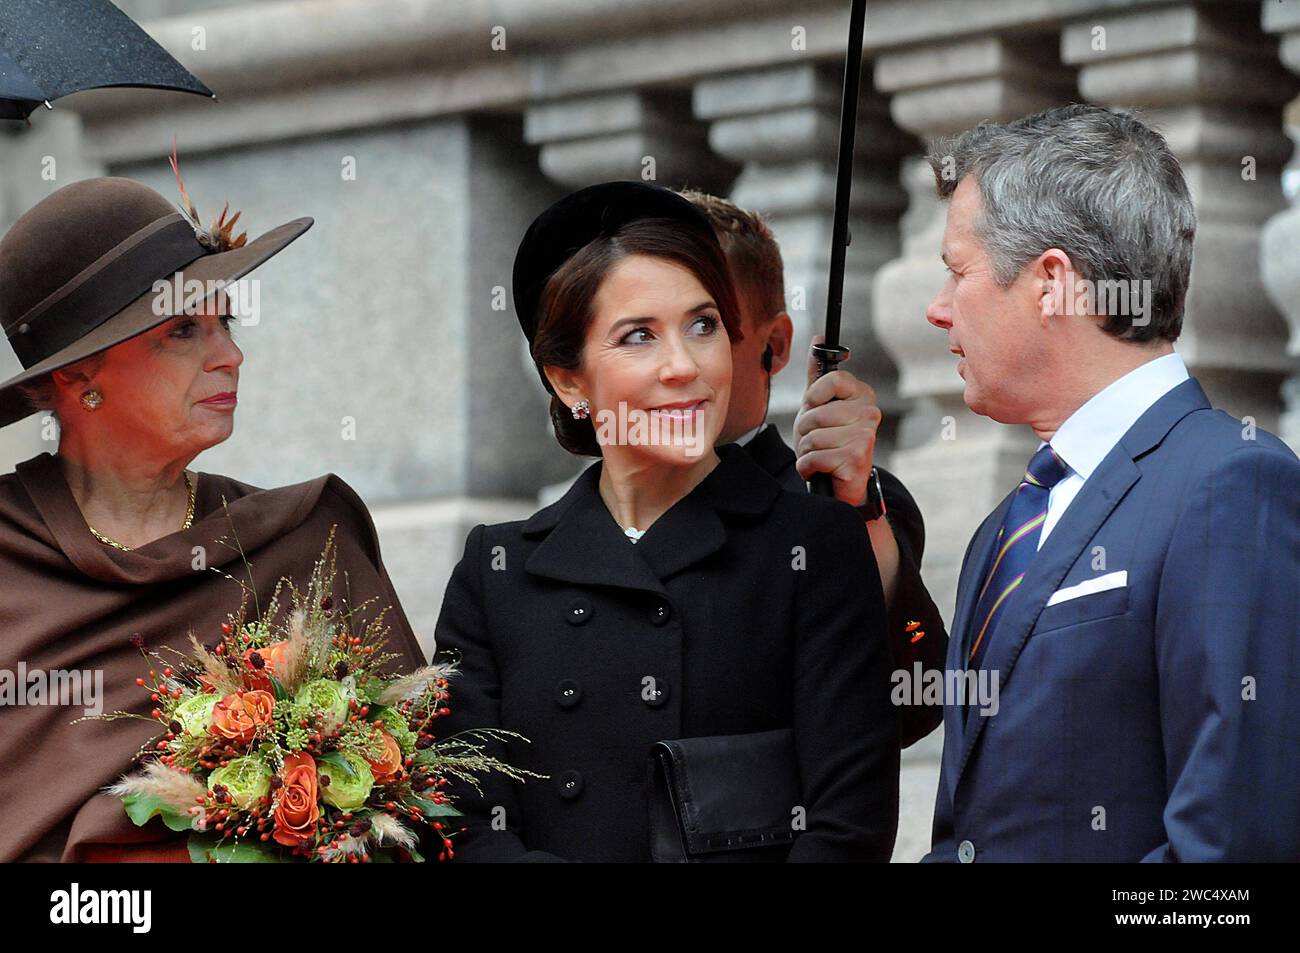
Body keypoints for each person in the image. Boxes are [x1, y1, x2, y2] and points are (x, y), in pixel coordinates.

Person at [432, 181, 900, 862]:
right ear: (568, 380)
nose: (684, 366)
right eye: (638, 336)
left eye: (703, 325)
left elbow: (847, 830)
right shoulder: (497, 570)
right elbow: (461, 823)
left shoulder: (812, 545)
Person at [0, 176, 425, 862]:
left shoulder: (303, 539)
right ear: (80, 377)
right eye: (183, 331)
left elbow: (412, 799)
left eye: (226, 323)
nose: (230, 355)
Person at [921, 104, 1300, 862]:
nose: (935, 310)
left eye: (957, 273)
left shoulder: (1232, 482)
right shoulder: (1002, 531)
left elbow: (1232, 853)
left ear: (1051, 282)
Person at [679, 190, 947, 747]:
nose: (672, 364)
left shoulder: (838, 503)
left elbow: (914, 693)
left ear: (774, 344)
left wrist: (855, 509)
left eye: (704, 326)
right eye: (637, 333)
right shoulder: (530, 547)